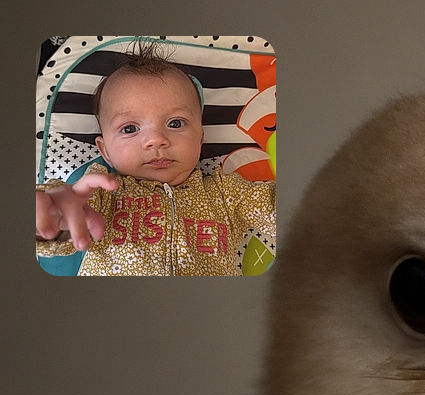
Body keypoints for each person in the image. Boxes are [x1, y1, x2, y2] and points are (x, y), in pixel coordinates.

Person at [35, 42, 275, 276]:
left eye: (175, 123)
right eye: (130, 129)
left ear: (200, 139)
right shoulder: (99, 194)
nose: (156, 140)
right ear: (104, 149)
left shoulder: (227, 193)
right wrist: (52, 213)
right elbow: (61, 241)